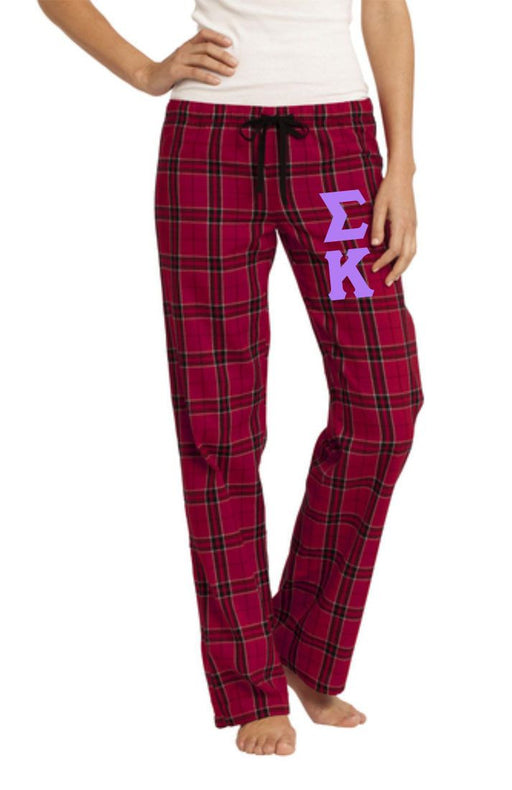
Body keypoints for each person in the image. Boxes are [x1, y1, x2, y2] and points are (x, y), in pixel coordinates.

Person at [38, 0, 424, 756]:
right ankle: (250, 685)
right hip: (208, 151)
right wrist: (145, 72)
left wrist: (401, 166)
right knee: (218, 424)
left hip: (337, 160)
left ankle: (303, 648)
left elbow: (384, 8)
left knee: (385, 406)